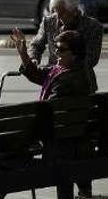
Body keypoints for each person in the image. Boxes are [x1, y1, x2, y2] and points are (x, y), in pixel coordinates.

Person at [12, 29, 93, 199]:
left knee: (13, 151)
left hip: (62, 142)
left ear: (75, 54)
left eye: (61, 49)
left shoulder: (68, 79)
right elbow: (39, 74)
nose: (56, 52)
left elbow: (47, 110)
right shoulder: (66, 70)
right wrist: (24, 55)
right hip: (70, 138)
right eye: (55, 48)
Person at [28, 0, 103, 92]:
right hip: (53, 82)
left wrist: (60, 68)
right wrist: (33, 58)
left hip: (80, 86)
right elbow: (36, 44)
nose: (58, 17)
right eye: (55, 12)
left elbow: (91, 59)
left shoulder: (93, 27)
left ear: (74, 9)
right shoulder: (49, 22)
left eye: (62, 13)